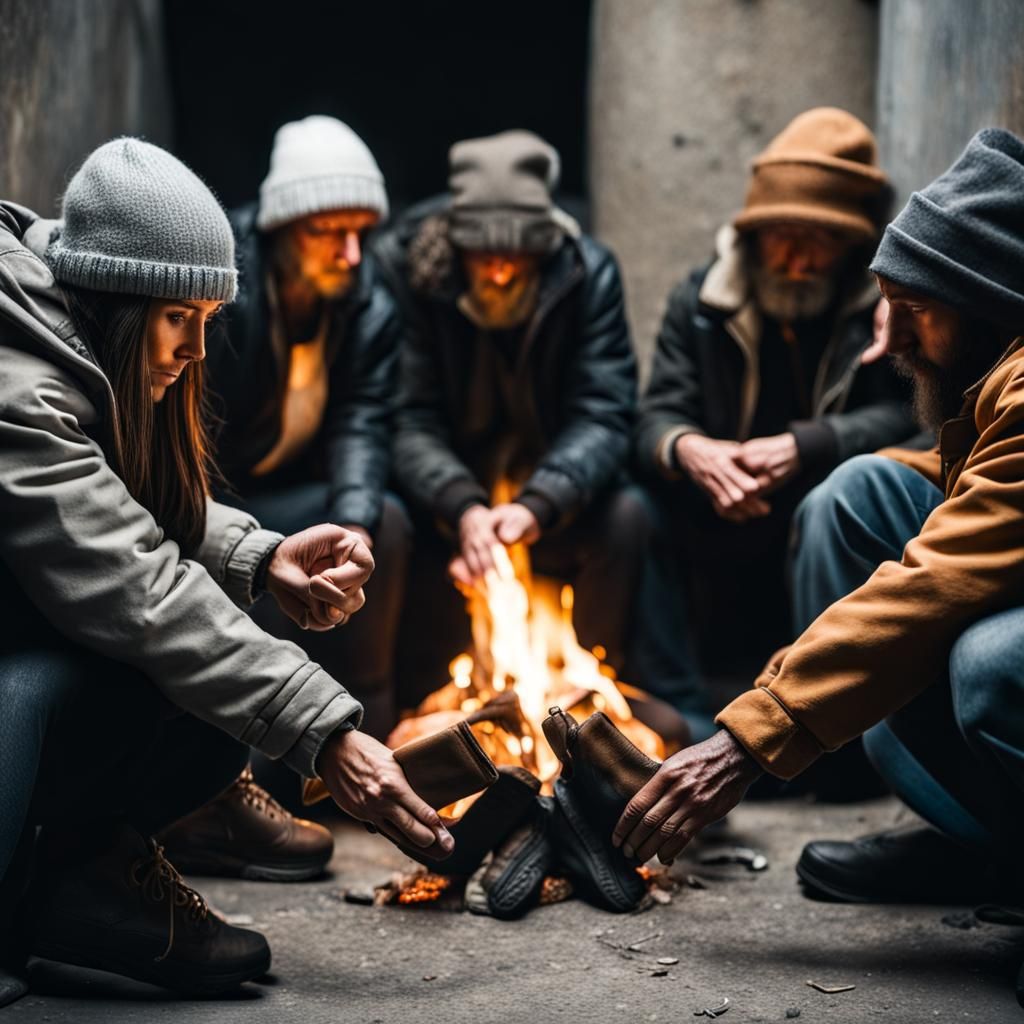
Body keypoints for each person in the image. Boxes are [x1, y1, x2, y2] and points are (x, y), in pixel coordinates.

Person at [0, 138, 451, 1007]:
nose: (198, 351)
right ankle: (40, 895)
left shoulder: (77, 332)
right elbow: (136, 586)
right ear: (122, 302)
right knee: (176, 672)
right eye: (182, 321)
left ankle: (81, 885)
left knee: (206, 707)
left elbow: (130, 503)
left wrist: (261, 555)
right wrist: (329, 734)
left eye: (210, 323)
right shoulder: (20, 388)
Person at [614, 128, 1024, 1006]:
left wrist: (746, 739)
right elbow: (653, 411)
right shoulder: (986, 361)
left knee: (989, 660)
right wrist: (689, 449)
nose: (896, 331)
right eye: (888, 300)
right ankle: (978, 839)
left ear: (987, 300)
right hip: (723, 529)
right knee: (861, 496)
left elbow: (938, 576)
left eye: (917, 305)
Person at [159, 117, 407, 874]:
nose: (352, 252)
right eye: (331, 232)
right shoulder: (223, 293)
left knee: (385, 525)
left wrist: (355, 531)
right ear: (282, 229)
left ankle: (370, 733)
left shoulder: (365, 301)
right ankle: (225, 790)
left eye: (361, 231)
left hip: (296, 492)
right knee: (217, 560)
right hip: (217, 494)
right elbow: (188, 437)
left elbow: (364, 425)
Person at [634, 108, 916, 744]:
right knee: (633, 505)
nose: (795, 258)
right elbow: (654, 413)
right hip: (718, 508)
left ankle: (827, 734)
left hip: (814, 510)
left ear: (852, 244)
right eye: (779, 235)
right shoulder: (702, 299)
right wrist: (689, 450)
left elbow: (913, 416)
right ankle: (685, 719)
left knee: (835, 505)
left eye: (818, 238)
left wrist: (807, 446)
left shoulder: (884, 309)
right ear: (754, 234)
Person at [375, 130, 647, 706]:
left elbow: (605, 411)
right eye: (482, 255)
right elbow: (405, 414)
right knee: (389, 522)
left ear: (544, 247)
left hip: (552, 491)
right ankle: (431, 713)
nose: (498, 272)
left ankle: (597, 702)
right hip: (447, 499)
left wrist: (536, 504)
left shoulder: (586, 274)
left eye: (516, 255)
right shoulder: (411, 276)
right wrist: (462, 505)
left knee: (628, 514)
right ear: (456, 246)